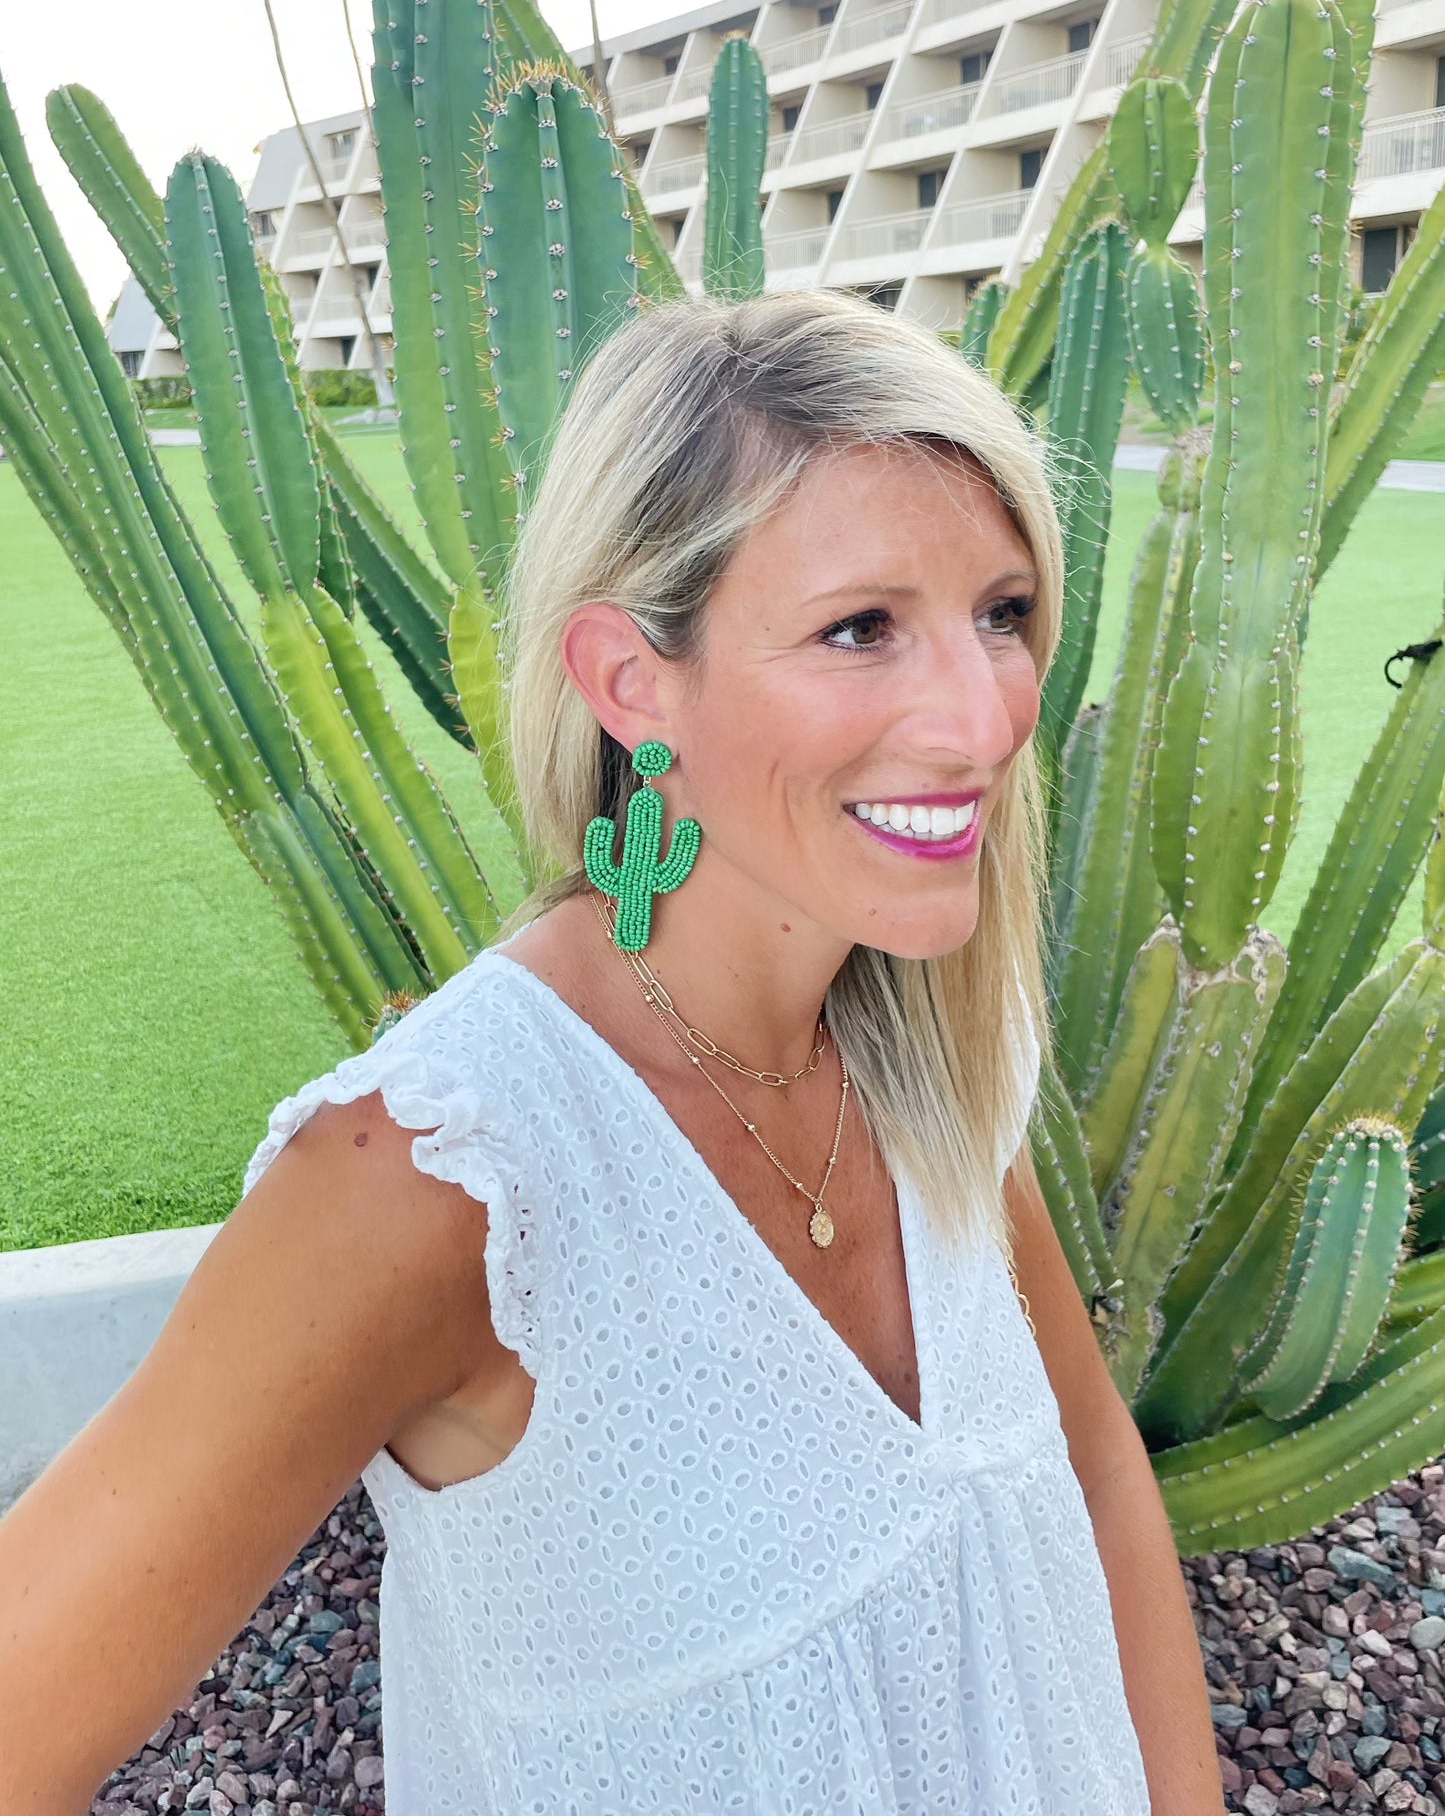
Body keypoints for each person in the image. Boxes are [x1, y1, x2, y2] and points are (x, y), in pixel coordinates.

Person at [0, 288, 1223, 1815]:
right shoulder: (443, 1176)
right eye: (860, 628)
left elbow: (1091, 1468)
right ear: (631, 683)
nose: (982, 722)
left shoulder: (938, 1048)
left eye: (1000, 613)